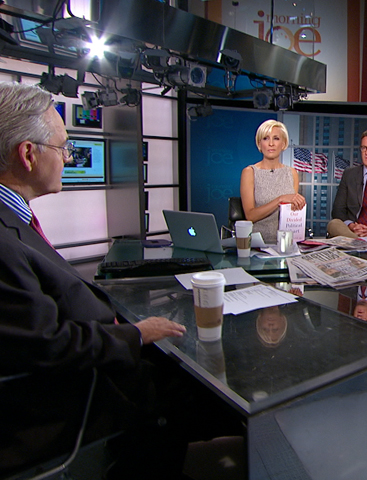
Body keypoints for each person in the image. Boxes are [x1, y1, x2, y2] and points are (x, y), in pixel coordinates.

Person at [0, 83, 241, 479]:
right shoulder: (4, 238)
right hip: (79, 393)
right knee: (201, 385)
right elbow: (46, 346)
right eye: (62, 147)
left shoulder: (14, 218)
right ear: (28, 154)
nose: (67, 157)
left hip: (93, 361)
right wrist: (135, 334)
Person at [240, 119, 306, 243]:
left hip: (286, 243)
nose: (271, 143)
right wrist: (279, 200)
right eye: (265, 138)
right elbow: (250, 216)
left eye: (276, 138)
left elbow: (292, 210)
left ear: (283, 144)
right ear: (260, 144)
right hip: (259, 242)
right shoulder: (250, 172)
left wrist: (298, 204)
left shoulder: (292, 173)